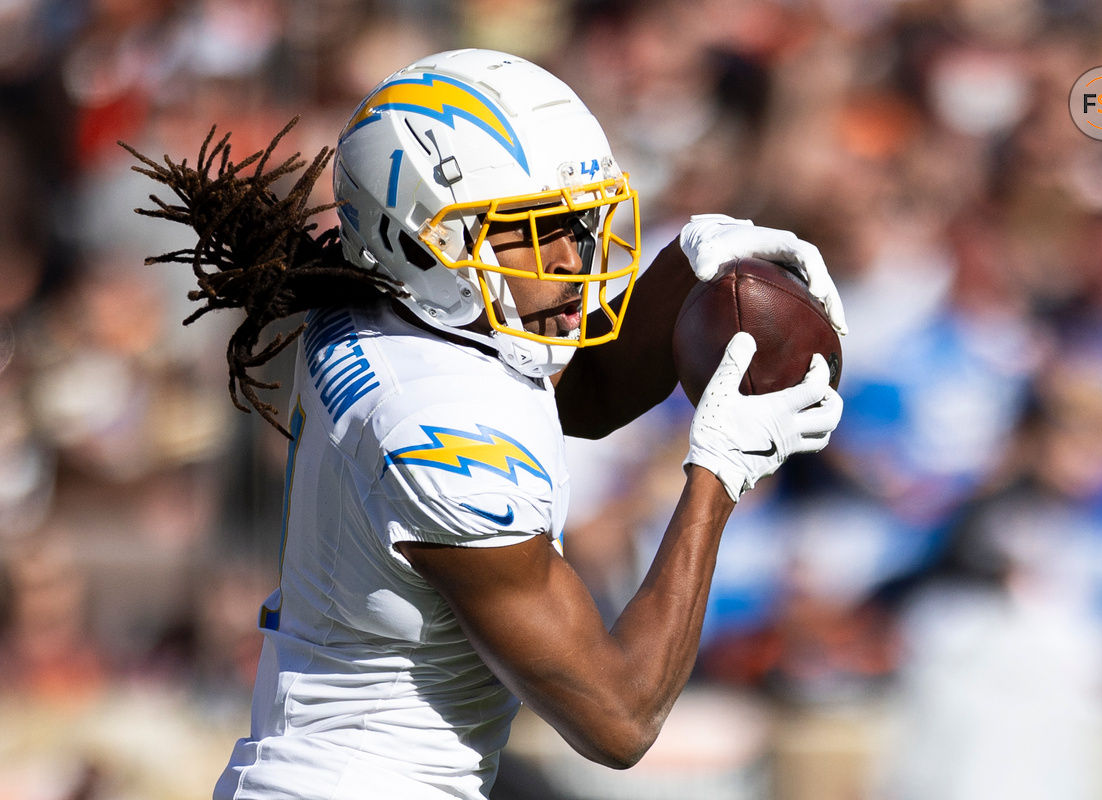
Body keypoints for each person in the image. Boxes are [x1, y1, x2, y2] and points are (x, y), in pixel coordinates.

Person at [126, 48, 845, 800]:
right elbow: (619, 716)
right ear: (417, 239)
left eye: (576, 221)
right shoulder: (432, 423)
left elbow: (571, 399)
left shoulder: (393, 304)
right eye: (528, 230)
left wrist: (688, 264)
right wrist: (719, 475)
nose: (570, 259)